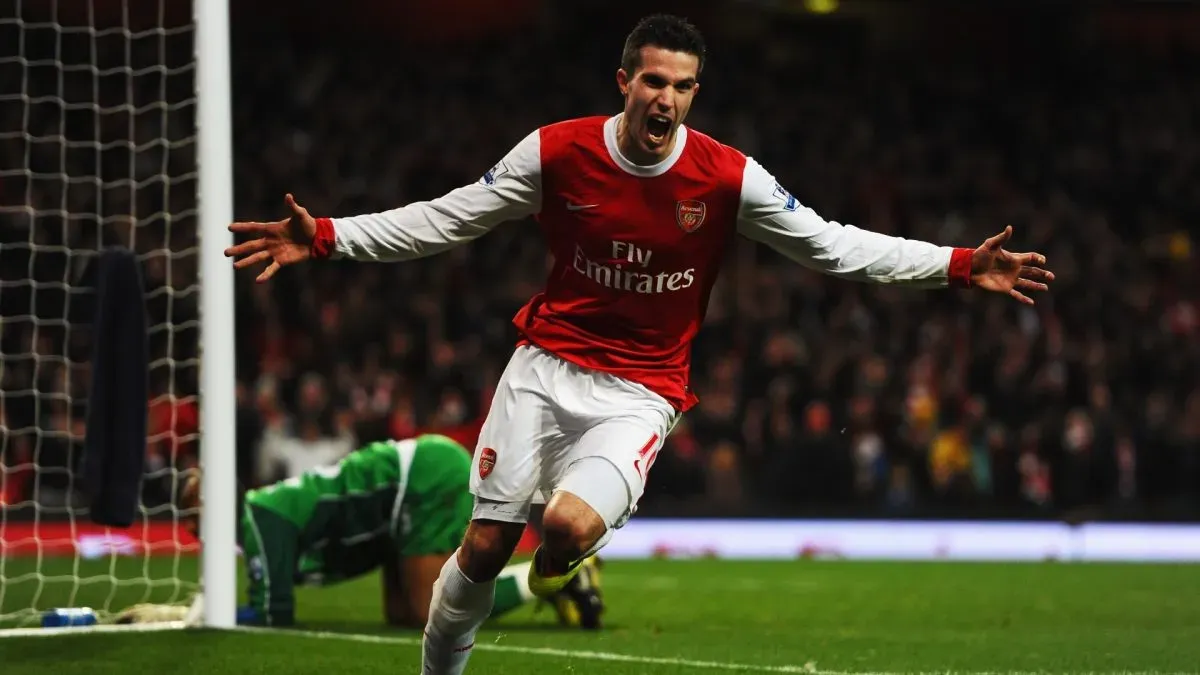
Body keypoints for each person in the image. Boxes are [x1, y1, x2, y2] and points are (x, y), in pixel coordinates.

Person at [224, 14, 1054, 672]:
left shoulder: (727, 178)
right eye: (654, 81)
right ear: (624, 81)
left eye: (683, 86)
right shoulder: (557, 152)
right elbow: (446, 219)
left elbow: (834, 246)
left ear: (696, 93)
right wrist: (325, 236)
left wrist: (957, 264)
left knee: (565, 526)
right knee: (481, 546)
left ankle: (559, 564)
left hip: (641, 391)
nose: (667, 100)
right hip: (545, 367)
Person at [118, 434, 602, 629]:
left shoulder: (261, 520)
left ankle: (558, 577)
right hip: (394, 508)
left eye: (193, 510)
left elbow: (273, 615)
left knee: (429, 610)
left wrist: (180, 617)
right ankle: (550, 581)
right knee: (404, 617)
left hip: (421, 476)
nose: (189, 524)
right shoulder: (261, 517)